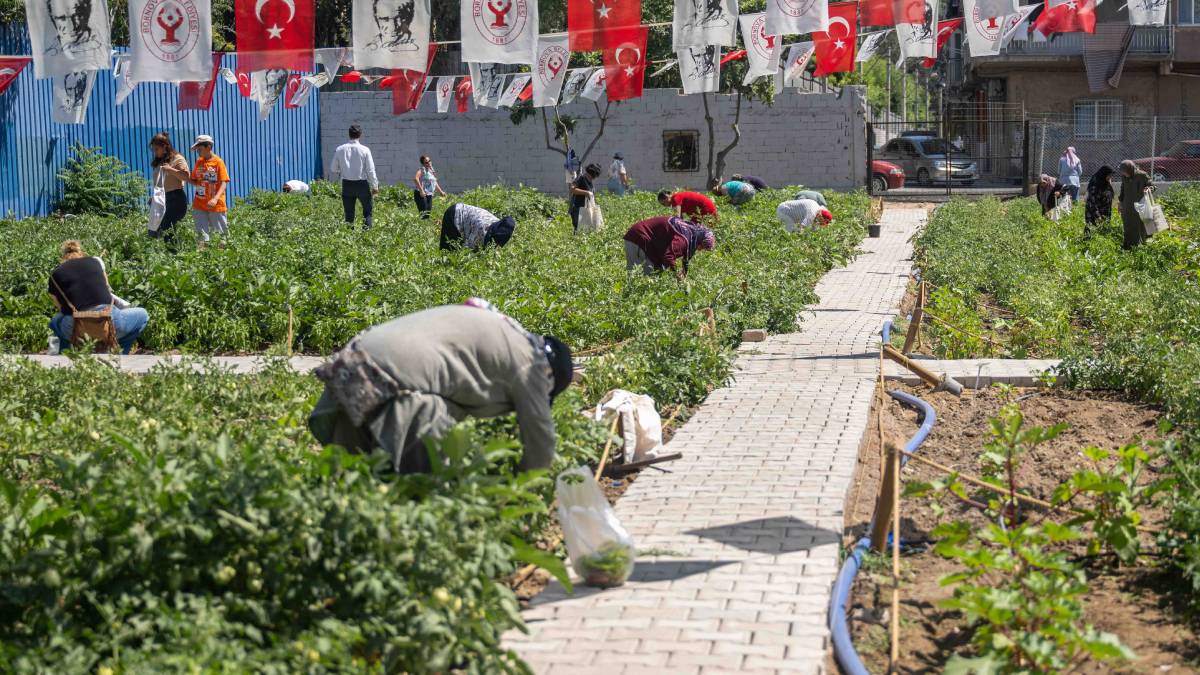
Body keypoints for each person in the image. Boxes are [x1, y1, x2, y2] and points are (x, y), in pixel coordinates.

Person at [307, 303, 574, 474]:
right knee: (432, 484)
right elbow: (540, 444)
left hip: (349, 368)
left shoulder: (503, 327)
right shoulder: (532, 362)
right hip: (393, 385)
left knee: (353, 479)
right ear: (549, 378)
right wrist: (519, 491)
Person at [48, 240, 149, 355]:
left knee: (55, 322)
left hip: (75, 326)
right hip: (109, 319)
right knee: (143, 314)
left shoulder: (55, 275)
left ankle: (66, 357)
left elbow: (60, 308)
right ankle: (118, 353)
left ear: (63, 258)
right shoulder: (95, 262)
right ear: (81, 253)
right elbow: (107, 287)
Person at [622, 215, 715, 280]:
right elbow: (668, 256)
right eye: (702, 247)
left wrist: (683, 272)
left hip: (636, 236)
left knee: (637, 276)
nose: (700, 250)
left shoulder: (689, 230)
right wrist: (676, 275)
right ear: (699, 241)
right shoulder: (684, 239)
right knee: (646, 280)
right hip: (640, 239)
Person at [329, 125, 379, 229]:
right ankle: (367, 235)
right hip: (362, 184)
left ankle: (349, 236)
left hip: (347, 184)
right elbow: (370, 170)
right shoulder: (365, 150)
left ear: (349, 134)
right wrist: (375, 186)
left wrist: (343, 170)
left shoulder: (340, 149)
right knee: (367, 211)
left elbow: (333, 168)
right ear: (360, 135)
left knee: (349, 214)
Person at [148, 132, 190, 251]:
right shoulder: (159, 162)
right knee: (156, 228)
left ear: (165, 146)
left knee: (167, 226)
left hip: (176, 199)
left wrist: (170, 170)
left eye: (156, 149)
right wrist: (153, 197)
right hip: (162, 199)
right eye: (153, 149)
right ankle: (163, 253)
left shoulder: (178, 158)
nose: (155, 152)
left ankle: (174, 254)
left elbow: (186, 177)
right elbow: (160, 183)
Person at [189, 134, 230, 249]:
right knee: (201, 236)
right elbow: (195, 180)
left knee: (220, 235)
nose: (198, 152)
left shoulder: (218, 162)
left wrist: (215, 199)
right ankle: (202, 256)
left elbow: (224, 182)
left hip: (215, 205)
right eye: (197, 149)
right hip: (199, 204)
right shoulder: (199, 162)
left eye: (200, 149)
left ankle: (222, 256)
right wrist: (179, 175)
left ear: (208, 147)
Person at [439, 202, 516, 250]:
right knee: (450, 248)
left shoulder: (500, 225)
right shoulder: (481, 228)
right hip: (454, 214)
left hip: (466, 217)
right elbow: (467, 249)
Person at [1118, 160, 1153, 250]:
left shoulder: (1142, 175)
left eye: (1124, 171)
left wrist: (1148, 188)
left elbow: (1152, 186)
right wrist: (1120, 203)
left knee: (1139, 226)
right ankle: (1128, 246)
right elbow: (1122, 190)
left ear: (1130, 169)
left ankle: (1139, 246)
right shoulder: (1124, 177)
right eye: (1122, 171)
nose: (1123, 173)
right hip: (1127, 206)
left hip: (1140, 205)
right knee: (1127, 226)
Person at [1084, 165, 1115, 235]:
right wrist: (1098, 216)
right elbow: (1091, 203)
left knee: (1103, 234)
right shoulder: (1095, 185)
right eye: (1109, 175)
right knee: (1093, 233)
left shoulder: (1106, 183)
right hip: (1094, 214)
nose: (1110, 177)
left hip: (1105, 213)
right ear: (1103, 174)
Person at [412, 155, 447, 219]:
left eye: (429, 161)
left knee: (428, 213)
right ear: (423, 164)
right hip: (421, 194)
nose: (429, 163)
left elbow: (434, 183)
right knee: (424, 214)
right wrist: (421, 191)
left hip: (429, 194)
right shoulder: (422, 170)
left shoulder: (431, 170)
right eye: (426, 162)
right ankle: (420, 224)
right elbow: (415, 179)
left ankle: (424, 224)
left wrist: (441, 192)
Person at [570, 163, 601, 232]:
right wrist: (586, 192)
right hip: (578, 208)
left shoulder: (589, 181)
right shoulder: (581, 178)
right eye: (593, 176)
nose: (593, 178)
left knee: (586, 229)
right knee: (579, 229)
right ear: (590, 173)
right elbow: (572, 189)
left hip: (586, 208)